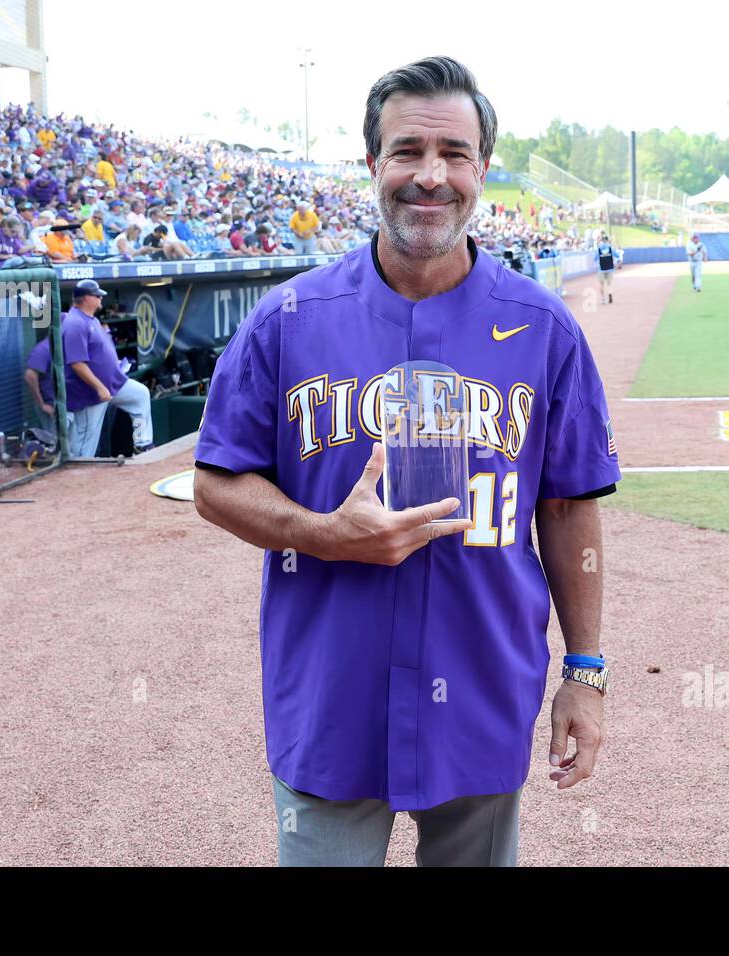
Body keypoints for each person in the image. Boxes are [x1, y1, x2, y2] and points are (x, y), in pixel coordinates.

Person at [194, 55, 619, 867]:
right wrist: (322, 531)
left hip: (483, 692)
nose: (432, 176)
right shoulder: (289, 318)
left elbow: (568, 509)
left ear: (482, 168)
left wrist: (586, 673)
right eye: (408, 151)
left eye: (455, 154)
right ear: (372, 164)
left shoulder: (543, 328)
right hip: (331, 697)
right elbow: (215, 483)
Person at [60, 279, 153, 457]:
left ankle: (142, 444)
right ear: (87, 298)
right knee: (84, 445)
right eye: (97, 296)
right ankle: (77, 475)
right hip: (90, 392)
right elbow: (77, 363)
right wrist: (100, 387)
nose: (101, 299)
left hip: (113, 384)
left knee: (140, 394)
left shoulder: (90, 319)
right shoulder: (75, 323)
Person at [596, 232, 617, 304]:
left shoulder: (599, 249)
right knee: (609, 284)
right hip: (610, 268)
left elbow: (595, 259)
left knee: (601, 284)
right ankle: (610, 293)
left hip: (601, 269)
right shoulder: (610, 248)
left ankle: (603, 299)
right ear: (607, 240)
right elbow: (617, 255)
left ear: (602, 240)